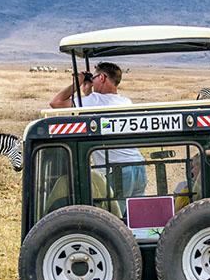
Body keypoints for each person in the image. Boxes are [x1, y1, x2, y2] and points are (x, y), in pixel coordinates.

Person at [50, 62, 147, 200]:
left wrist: (78, 82)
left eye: (94, 78)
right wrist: (88, 92)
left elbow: (56, 103)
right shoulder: (126, 101)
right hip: (138, 166)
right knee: (136, 213)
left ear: (102, 77)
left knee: (113, 217)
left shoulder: (93, 101)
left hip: (117, 169)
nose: (92, 82)